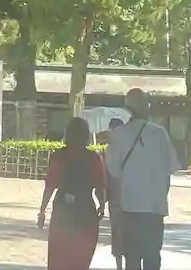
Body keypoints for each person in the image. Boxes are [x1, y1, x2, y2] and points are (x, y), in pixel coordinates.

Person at [105, 89, 182, 270]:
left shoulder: (118, 135)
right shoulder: (160, 134)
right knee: (152, 256)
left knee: (131, 257)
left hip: (129, 207)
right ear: (146, 107)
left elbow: (113, 172)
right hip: (154, 208)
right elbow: (170, 169)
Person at [38, 117, 107, 270]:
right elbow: (99, 186)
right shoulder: (93, 158)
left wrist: (42, 210)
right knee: (81, 257)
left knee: (58, 256)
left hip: (62, 209)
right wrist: (102, 206)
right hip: (85, 209)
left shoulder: (59, 156)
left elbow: (50, 185)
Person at [107, 116, 127, 270]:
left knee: (119, 233)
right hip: (125, 197)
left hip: (117, 197)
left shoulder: (111, 149)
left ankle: (121, 265)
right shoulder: (131, 147)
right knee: (121, 233)